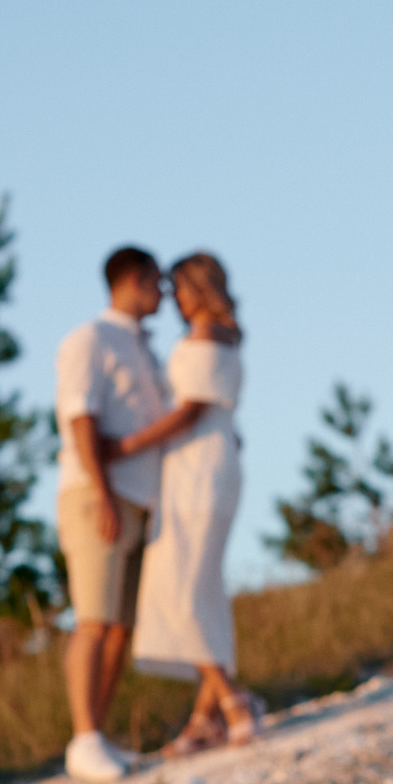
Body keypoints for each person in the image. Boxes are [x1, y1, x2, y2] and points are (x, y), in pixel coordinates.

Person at [122, 251, 263, 751]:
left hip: (197, 468)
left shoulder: (205, 338)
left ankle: (231, 699)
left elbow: (191, 410)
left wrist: (128, 445)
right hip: (210, 463)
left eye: (179, 288)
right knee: (201, 589)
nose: (174, 300)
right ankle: (205, 718)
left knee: (183, 590)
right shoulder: (228, 339)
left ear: (197, 288)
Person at [54, 246, 172, 783]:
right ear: (131, 278)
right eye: (154, 281)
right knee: (95, 619)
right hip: (97, 493)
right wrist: (101, 492)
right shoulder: (91, 340)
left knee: (121, 626)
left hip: (140, 497)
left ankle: (97, 735)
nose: (161, 293)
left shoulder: (143, 348)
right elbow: (80, 416)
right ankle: (82, 736)